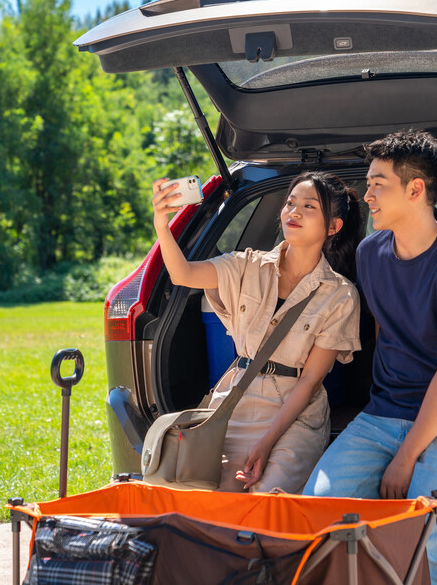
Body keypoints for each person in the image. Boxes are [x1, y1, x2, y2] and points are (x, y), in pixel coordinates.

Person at [303, 130, 437, 584]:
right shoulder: (371, 253)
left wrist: (406, 456)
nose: (366, 194)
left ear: (415, 190)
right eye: (368, 183)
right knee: (316, 521)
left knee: (422, 554)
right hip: (383, 414)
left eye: (378, 184)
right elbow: (384, 332)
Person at [152, 171, 363, 493]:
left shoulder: (341, 295)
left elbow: (310, 381)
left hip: (294, 414)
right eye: (290, 203)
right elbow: (182, 274)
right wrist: (162, 226)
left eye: (309, 207)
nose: (294, 212)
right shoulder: (244, 265)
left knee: (269, 499)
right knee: (213, 500)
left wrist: (265, 445)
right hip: (235, 400)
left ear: (333, 226)